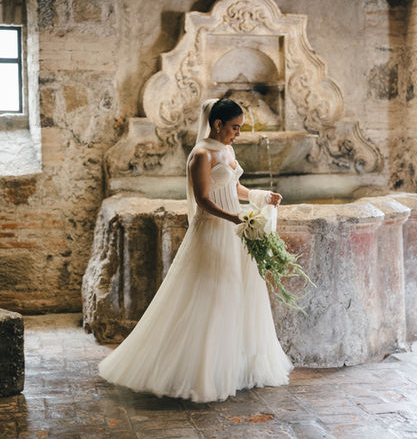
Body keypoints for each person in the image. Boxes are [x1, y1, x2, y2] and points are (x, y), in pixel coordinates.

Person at [98, 98, 293, 402]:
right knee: (208, 296)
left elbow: (232, 188)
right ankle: (197, 372)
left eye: (239, 128)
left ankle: (230, 367)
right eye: (234, 127)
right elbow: (203, 198)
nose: (237, 133)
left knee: (234, 292)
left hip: (235, 230)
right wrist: (235, 217)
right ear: (217, 124)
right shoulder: (200, 156)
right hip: (213, 230)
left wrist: (260, 196)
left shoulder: (227, 149)